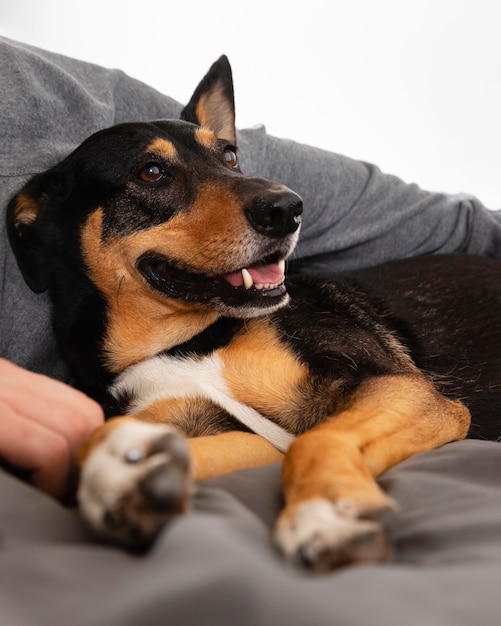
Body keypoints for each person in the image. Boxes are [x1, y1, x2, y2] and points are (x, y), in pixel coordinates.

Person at [3, 35, 501, 626]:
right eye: (154, 174)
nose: (270, 201)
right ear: (45, 226)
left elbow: (426, 407)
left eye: (227, 160)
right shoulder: (124, 410)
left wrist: (328, 456)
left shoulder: (274, 324)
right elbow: (263, 441)